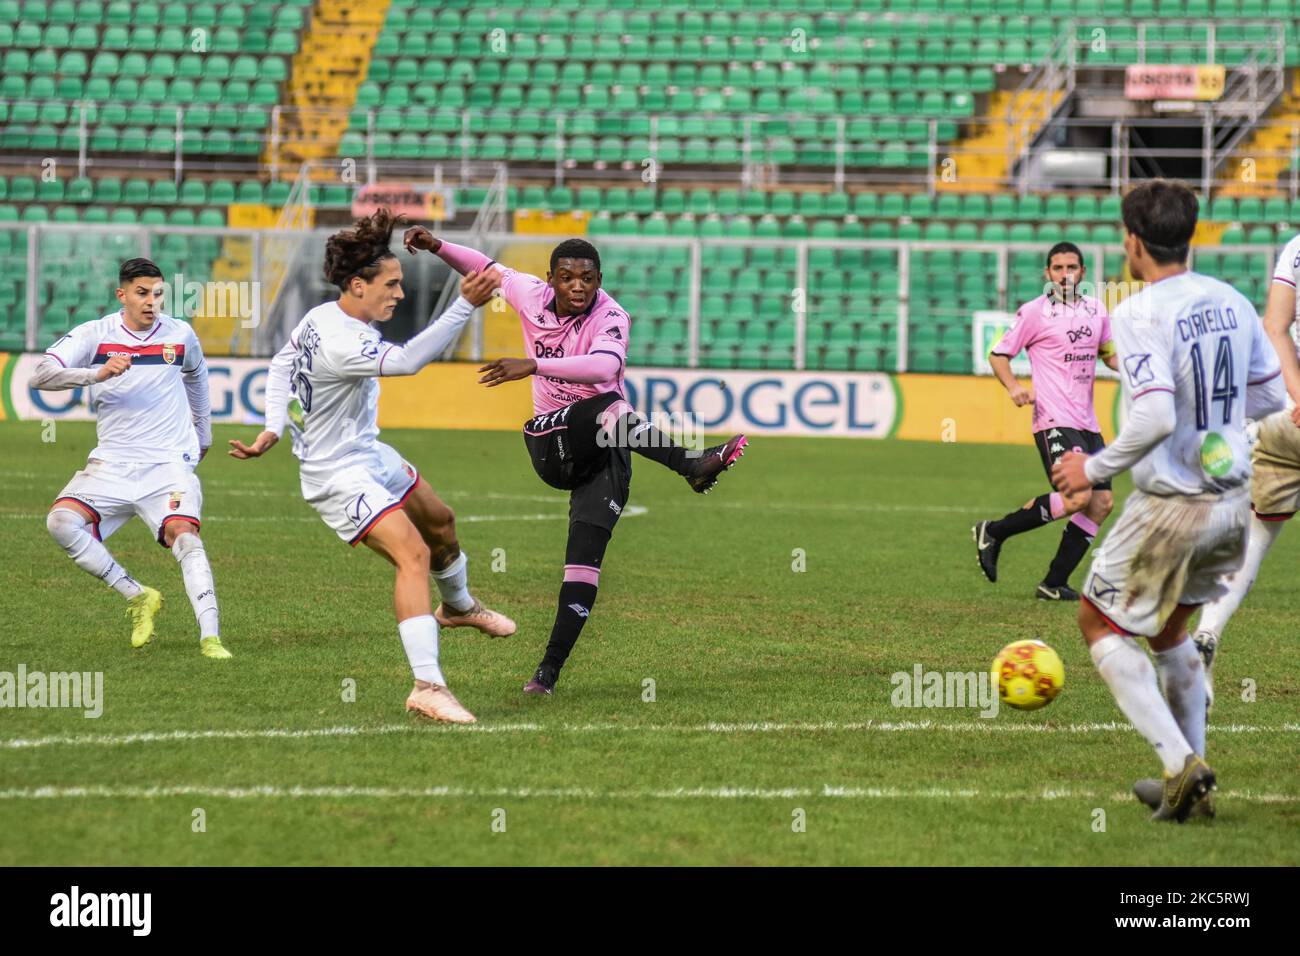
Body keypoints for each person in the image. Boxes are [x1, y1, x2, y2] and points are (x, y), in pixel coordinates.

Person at [405, 229, 747, 694]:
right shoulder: (530, 295)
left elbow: (605, 367)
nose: (577, 286)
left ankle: (546, 673)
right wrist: (435, 245)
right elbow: (483, 267)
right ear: (551, 280)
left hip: (605, 443)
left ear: (599, 279)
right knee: (609, 408)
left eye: (587, 278)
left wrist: (533, 365)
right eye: (566, 277)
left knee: (583, 568)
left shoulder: (611, 316)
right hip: (552, 442)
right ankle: (690, 464)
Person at [1052, 180, 1284, 822]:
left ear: (1132, 241)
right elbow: (1269, 399)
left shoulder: (1136, 311)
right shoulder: (1233, 301)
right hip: (1234, 499)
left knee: (1099, 621)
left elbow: (1152, 415)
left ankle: (1181, 763)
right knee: (1172, 630)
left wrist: (1090, 469)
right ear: (1190, 235)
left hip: (1171, 504)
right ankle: (1194, 788)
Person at [230, 210, 514, 723]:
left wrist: (273, 425)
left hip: (368, 453)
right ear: (358, 285)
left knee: (442, 523)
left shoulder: (321, 317)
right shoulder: (343, 338)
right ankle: (428, 685)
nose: (400, 295)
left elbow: (279, 364)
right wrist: (462, 306)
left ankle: (459, 607)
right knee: (413, 555)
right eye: (392, 285)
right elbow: (406, 362)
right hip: (336, 474)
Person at [34, 257, 230, 658]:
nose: (151, 302)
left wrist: (203, 433)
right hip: (111, 464)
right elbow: (40, 374)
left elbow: (196, 375)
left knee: (186, 537)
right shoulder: (95, 335)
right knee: (60, 522)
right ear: (122, 294)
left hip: (166, 465)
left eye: (158, 293)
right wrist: (96, 374)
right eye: (142, 293)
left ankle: (211, 637)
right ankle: (138, 595)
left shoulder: (180, 335)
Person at [974, 241, 1119, 600]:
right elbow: (998, 355)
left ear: (1083, 272)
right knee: (1075, 498)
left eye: (1072, 267)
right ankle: (994, 531)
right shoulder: (1034, 312)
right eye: (1058, 268)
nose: (1065, 274)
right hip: (1054, 419)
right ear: (1047, 274)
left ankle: (1053, 584)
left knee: (1100, 504)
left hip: (1088, 423)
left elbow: (1109, 356)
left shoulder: (1096, 310)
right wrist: (1013, 388)